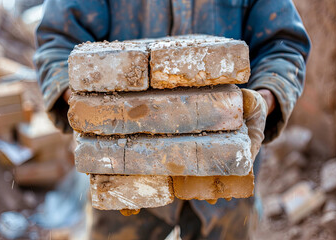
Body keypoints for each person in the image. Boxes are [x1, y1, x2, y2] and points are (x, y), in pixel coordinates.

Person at [34, 0, 310, 239]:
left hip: (225, 172)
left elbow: (283, 46)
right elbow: (57, 44)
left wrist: (264, 98)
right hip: (121, 170)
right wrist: (93, 107)